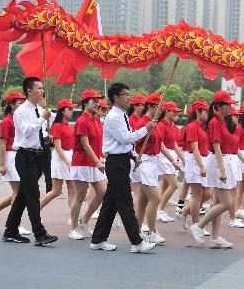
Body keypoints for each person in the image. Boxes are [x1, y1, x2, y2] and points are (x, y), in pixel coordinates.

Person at [90, 82, 155, 253]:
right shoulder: (113, 116)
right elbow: (125, 138)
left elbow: (126, 144)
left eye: (128, 93)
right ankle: (137, 242)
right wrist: (145, 129)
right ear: (116, 97)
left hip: (122, 160)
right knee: (125, 203)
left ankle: (97, 239)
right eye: (125, 94)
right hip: (116, 163)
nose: (129, 97)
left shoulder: (121, 115)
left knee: (110, 204)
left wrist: (133, 156)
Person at [2, 77, 57, 246]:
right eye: (39, 88)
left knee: (23, 196)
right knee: (33, 195)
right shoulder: (21, 111)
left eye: (42, 88)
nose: (42, 91)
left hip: (37, 155)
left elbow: (36, 133)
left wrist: (46, 138)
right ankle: (39, 233)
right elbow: (26, 132)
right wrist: (42, 118)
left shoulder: (37, 109)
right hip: (25, 156)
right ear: (29, 91)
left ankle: (10, 230)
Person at [189, 90, 240, 249]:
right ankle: (198, 226)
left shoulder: (221, 121)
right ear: (218, 106)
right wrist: (223, 170)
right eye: (228, 105)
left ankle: (215, 236)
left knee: (217, 201)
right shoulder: (214, 123)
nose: (231, 107)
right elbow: (217, 148)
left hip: (221, 161)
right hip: (218, 162)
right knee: (226, 202)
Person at [0, 91, 31, 235]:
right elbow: (3, 144)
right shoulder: (6, 121)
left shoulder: (18, 120)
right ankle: (14, 225)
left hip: (19, 156)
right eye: (19, 103)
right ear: (11, 105)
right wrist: (2, 164)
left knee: (17, 193)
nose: (22, 105)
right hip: (11, 157)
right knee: (18, 193)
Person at [131, 94, 169, 246]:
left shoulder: (154, 123)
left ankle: (137, 231)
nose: (161, 111)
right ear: (152, 107)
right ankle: (152, 232)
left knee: (143, 201)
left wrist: (172, 160)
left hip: (153, 162)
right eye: (160, 108)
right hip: (144, 162)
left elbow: (159, 144)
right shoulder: (144, 123)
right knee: (155, 198)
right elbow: (134, 141)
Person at [68, 90, 106, 240]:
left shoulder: (96, 120)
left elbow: (98, 143)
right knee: (80, 197)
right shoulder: (82, 121)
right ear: (85, 103)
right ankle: (73, 229)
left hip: (95, 162)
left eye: (98, 101)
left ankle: (84, 221)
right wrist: (97, 161)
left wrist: (101, 157)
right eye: (94, 101)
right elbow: (85, 145)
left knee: (102, 192)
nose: (97, 103)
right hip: (82, 163)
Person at [177, 100, 211, 232]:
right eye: (205, 111)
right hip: (195, 162)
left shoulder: (202, 126)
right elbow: (194, 148)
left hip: (202, 160)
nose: (207, 114)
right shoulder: (192, 127)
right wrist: (202, 166)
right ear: (198, 112)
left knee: (208, 193)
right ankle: (197, 226)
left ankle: (185, 211)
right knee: (197, 195)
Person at [40, 99, 77, 212]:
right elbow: (57, 147)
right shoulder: (56, 126)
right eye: (69, 109)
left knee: (72, 188)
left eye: (72, 109)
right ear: (62, 111)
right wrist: (67, 162)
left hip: (69, 155)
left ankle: (73, 216)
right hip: (61, 158)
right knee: (56, 190)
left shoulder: (67, 125)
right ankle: (36, 210)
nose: (72, 111)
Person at [156, 101, 184, 223]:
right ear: (167, 112)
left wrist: (182, 158)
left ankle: (159, 210)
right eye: (174, 111)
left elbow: (175, 144)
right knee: (174, 185)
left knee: (165, 186)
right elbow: (160, 145)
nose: (176, 113)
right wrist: (172, 160)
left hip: (171, 155)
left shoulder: (172, 126)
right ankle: (159, 210)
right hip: (164, 156)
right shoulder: (161, 125)